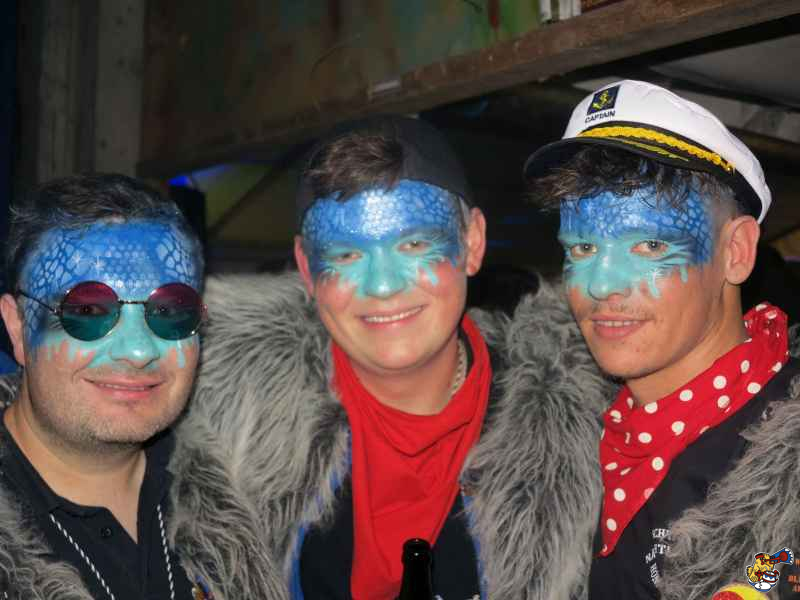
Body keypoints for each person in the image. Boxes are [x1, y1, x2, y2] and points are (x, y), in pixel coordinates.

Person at [191, 115, 610, 599]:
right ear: (306, 268)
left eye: (413, 244)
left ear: (472, 243)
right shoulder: (218, 430)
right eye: (346, 255)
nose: (384, 285)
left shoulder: (593, 429)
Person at [525, 80, 800, 599]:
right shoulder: (553, 437)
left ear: (736, 252)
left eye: (650, 245)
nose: (601, 285)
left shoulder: (787, 473)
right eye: (583, 248)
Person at [0, 174, 283, 599]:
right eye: (88, 311)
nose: (137, 351)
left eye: (169, 311)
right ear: (18, 327)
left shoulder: (254, 492)